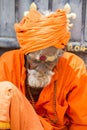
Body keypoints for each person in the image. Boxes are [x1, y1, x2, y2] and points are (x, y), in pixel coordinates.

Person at [0, 2, 87, 130]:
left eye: (48, 62)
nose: (41, 68)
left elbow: (81, 123)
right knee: (4, 91)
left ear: (60, 54)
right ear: (25, 53)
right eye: (35, 60)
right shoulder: (8, 63)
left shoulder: (74, 68)